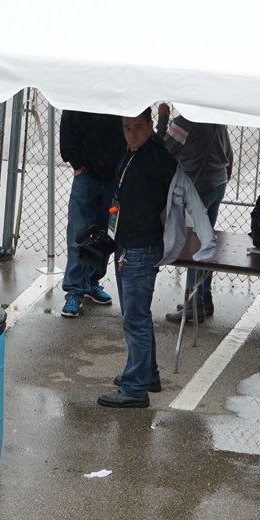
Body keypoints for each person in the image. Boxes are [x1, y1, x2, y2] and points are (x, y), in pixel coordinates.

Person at [99, 113, 177, 409]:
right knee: (137, 316)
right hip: (128, 243)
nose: (132, 134)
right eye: (127, 128)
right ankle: (148, 374)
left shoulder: (156, 157)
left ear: (150, 127)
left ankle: (135, 387)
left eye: (138, 128)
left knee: (135, 318)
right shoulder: (133, 153)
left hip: (140, 247)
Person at [157, 103, 233, 324]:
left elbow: (161, 150)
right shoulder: (216, 118)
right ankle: (203, 297)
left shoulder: (184, 123)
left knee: (193, 245)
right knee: (205, 240)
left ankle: (193, 301)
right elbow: (229, 154)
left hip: (197, 186)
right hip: (217, 182)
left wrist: (162, 120)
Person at [59, 110, 124, 319]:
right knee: (80, 232)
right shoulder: (83, 90)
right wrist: (76, 163)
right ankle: (75, 290)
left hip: (113, 177)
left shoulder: (120, 91)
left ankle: (92, 282)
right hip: (86, 175)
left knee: (105, 233)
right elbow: (67, 126)